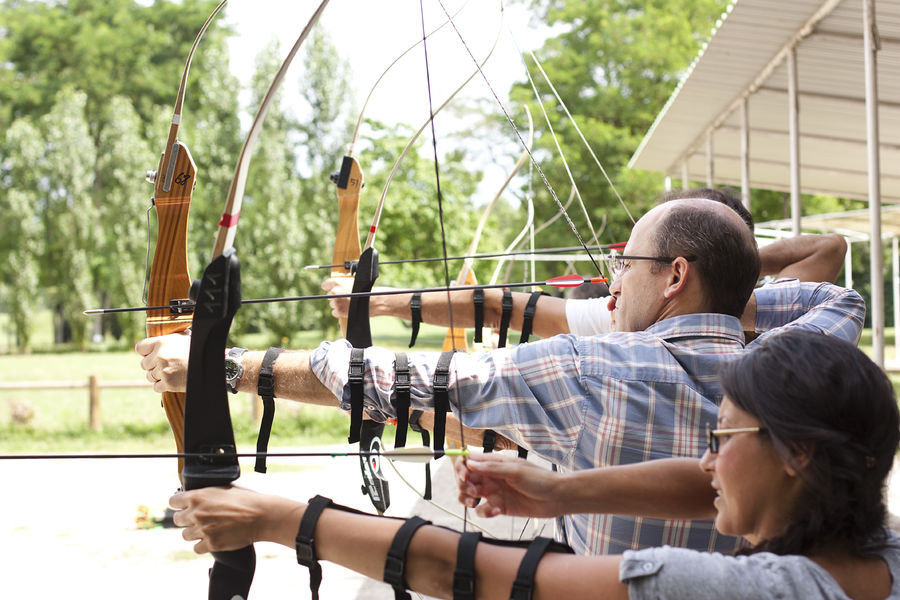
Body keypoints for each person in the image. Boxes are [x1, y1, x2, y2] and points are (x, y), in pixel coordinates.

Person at [137, 196, 864, 555]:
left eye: (626, 265)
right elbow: (834, 286)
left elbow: (384, 378)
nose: (613, 284)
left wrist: (216, 367)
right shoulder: (806, 359)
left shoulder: (586, 366)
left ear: (675, 275)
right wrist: (731, 280)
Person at [169, 331, 900, 599]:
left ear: (797, 452)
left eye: (722, 436)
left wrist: (280, 519)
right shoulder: (875, 541)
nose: (705, 458)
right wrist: (559, 493)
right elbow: (700, 482)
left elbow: (479, 574)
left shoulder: (731, 587)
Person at [321, 188, 846, 338]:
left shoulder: (783, 322)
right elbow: (498, 307)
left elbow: (832, 247)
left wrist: (728, 265)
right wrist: (378, 303)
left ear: (680, 271)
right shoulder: (635, 318)